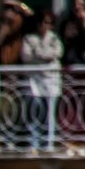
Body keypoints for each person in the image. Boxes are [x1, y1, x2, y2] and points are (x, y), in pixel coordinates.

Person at [23, 9, 64, 150]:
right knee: (35, 112)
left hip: (51, 80)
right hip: (35, 80)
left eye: (47, 23)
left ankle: (49, 144)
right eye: (42, 22)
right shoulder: (29, 38)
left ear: (51, 25)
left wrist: (39, 53)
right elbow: (26, 57)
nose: (44, 25)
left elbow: (57, 53)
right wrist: (45, 57)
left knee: (50, 114)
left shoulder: (54, 38)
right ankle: (35, 143)